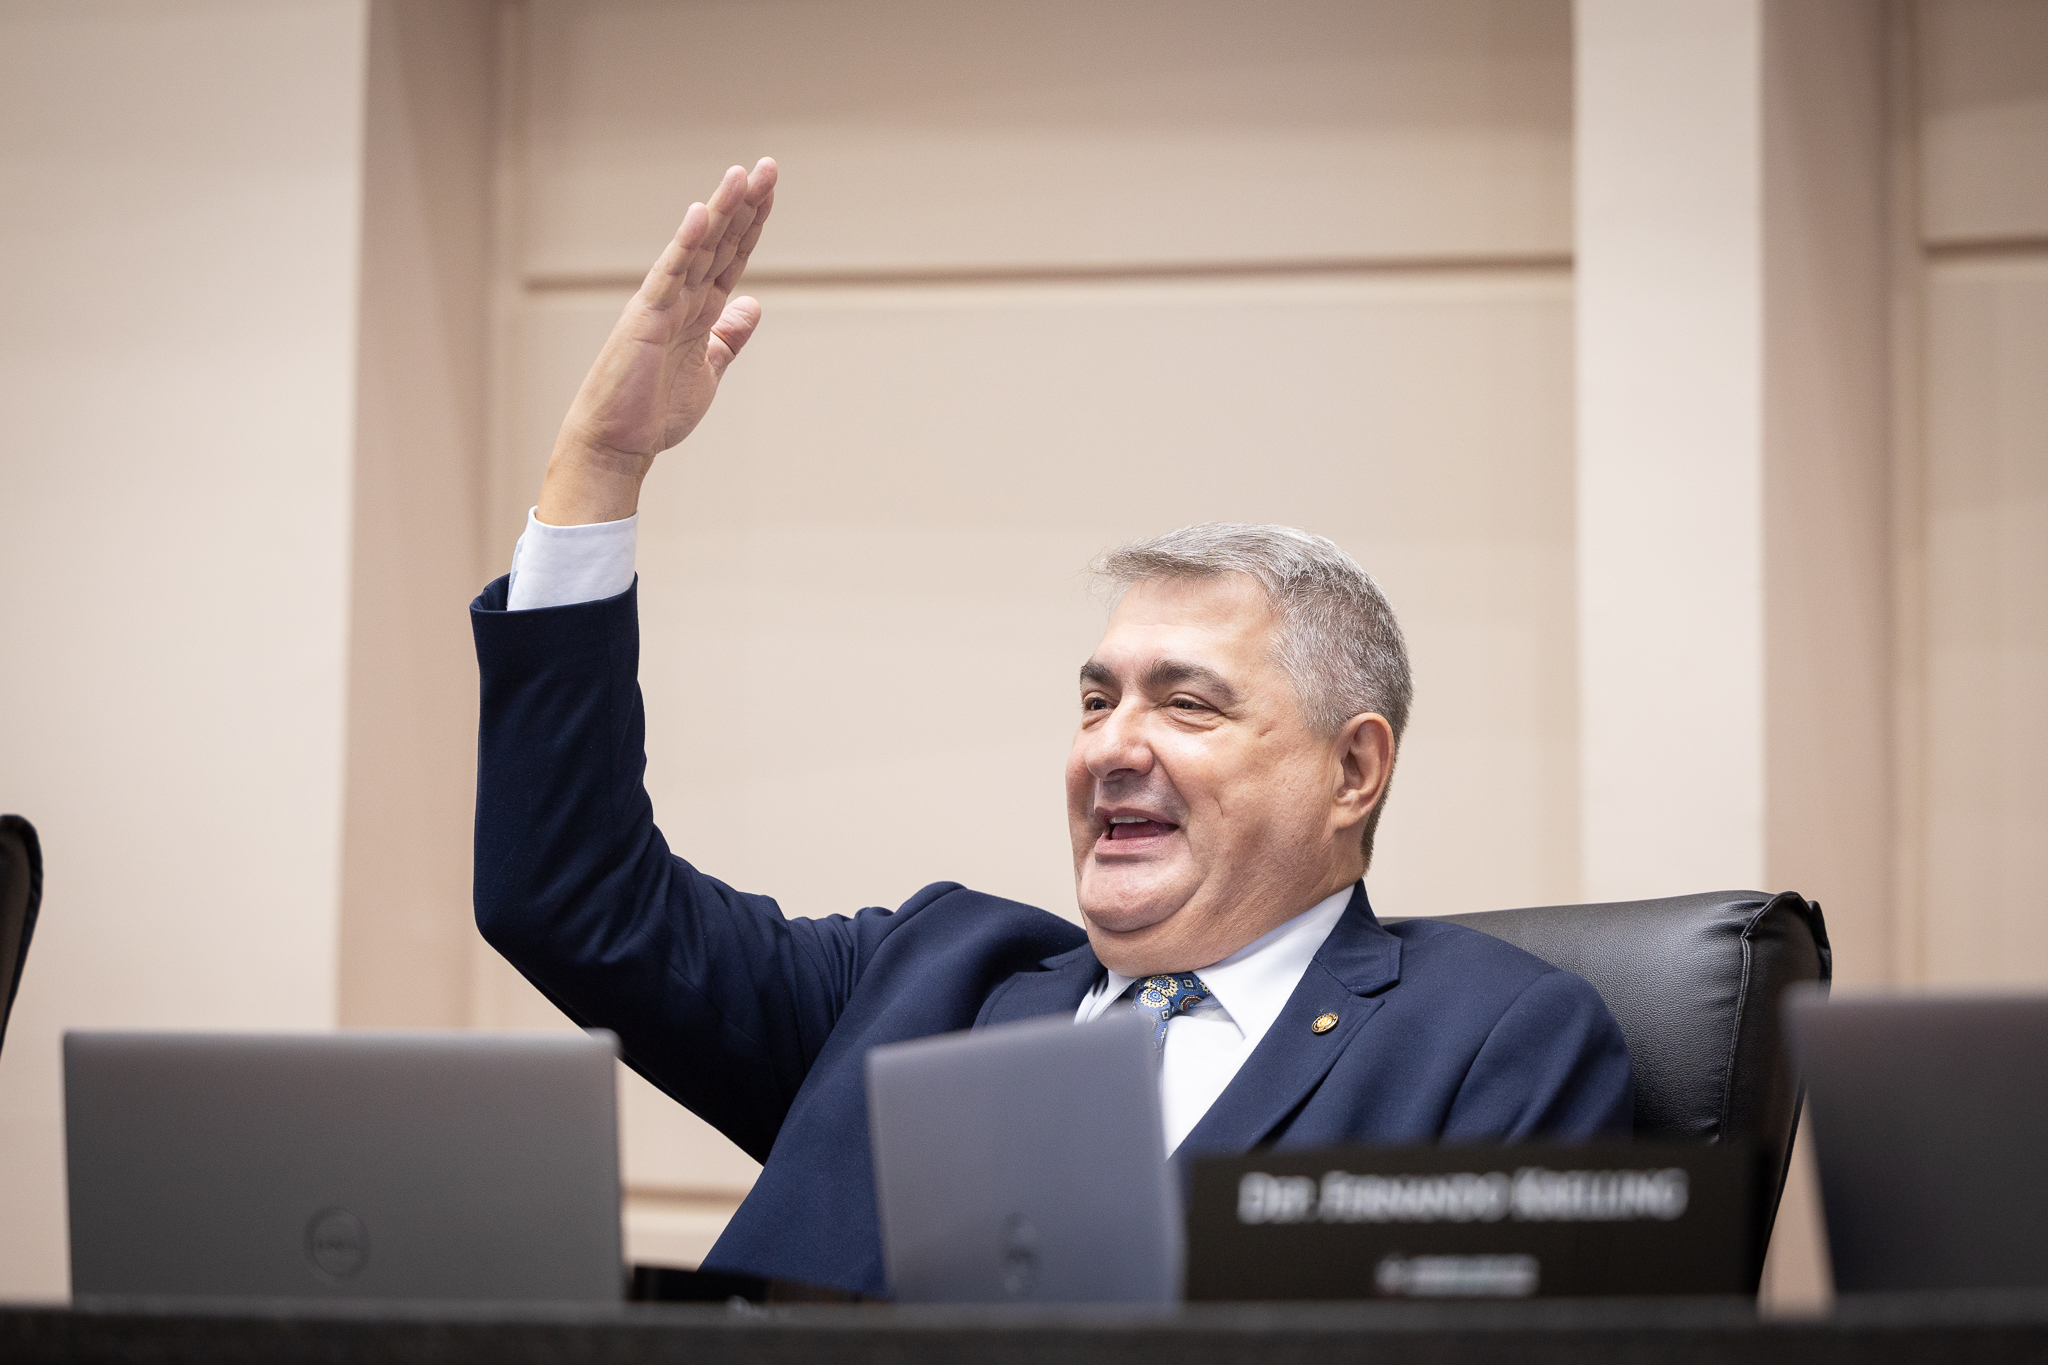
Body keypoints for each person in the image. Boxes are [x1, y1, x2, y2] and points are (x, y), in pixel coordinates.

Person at [470, 158, 1633, 1296]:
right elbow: (570, 900)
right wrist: (600, 467)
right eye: (1094, 699)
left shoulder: (1486, 1039)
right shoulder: (928, 982)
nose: (1110, 748)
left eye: (1183, 702)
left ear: (1352, 769)